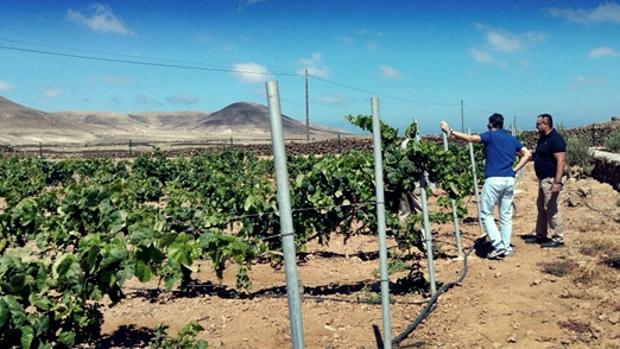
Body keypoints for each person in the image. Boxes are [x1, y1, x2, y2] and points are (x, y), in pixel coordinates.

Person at [440, 114, 531, 259]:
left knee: (486, 214)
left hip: (494, 179)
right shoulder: (512, 139)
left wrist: (449, 130)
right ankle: (506, 247)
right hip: (509, 179)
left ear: (490, 124)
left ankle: (498, 245)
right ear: (502, 124)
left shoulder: (490, 136)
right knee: (505, 215)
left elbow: (470, 138)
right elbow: (527, 154)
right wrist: (515, 169)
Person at [530, 113, 567, 248]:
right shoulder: (542, 139)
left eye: (538, 124)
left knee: (552, 208)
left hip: (551, 179)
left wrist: (557, 183)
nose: (536, 127)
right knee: (541, 207)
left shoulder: (556, 140)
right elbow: (539, 156)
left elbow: (561, 161)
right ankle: (541, 235)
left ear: (545, 124)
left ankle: (558, 238)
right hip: (543, 179)